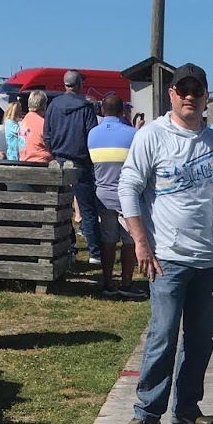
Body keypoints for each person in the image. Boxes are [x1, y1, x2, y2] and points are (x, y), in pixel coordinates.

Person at [117, 62, 213, 424]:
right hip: (167, 259)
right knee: (162, 335)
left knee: (200, 340)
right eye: (184, 90)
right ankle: (148, 408)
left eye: (197, 90)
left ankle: (187, 406)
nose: (190, 96)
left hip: (210, 260)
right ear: (172, 94)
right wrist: (141, 242)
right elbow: (127, 188)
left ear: (206, 95)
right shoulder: (152, 136)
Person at [44, 70, 103, 266]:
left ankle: (68, 247)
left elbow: (47, 135)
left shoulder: (53, 105)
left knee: (62, 209)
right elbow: (92, 136)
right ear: (79, 86)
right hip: (81, 163)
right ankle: (95, 252)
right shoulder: (86, 107)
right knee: (87, 210)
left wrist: (55, 152)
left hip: (59, 162)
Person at [87, 92, 137, 296]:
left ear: (102, 110)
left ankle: (107, 282)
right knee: (129, 241)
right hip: (127, 197)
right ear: (122, 111)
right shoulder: (133, 134)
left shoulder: (92, 134)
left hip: (103, 194)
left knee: (108, 240)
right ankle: (126, 283)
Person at [19, 90, 53, 162]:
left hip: (24, 162)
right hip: (41, 164)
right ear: (44, 106)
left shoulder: (23, 122)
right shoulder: (43, 124)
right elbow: (54, 145)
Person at [2, 93, 24, 160]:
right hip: (13, 156)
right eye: (18, 111)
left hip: (19, 155)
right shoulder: (9, 122)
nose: (20, 112)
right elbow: (19, 131)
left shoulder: (15, 122)